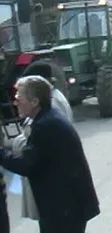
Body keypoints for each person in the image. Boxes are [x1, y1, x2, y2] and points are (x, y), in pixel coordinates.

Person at [0, 76, 100, 233]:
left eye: (20, 97)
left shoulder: (45, 126)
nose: (15, 102)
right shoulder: (48, 118)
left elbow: (27, 165)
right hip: (67, 206)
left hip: (64, 209)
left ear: (34, 102)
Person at [8, 60, 74, 221]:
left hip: (59, 198)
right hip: (59, 194)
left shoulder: (49, 113)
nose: (16, 101)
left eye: (21, 95)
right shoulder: (50, 105)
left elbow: (29, 160)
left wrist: (7, 149)